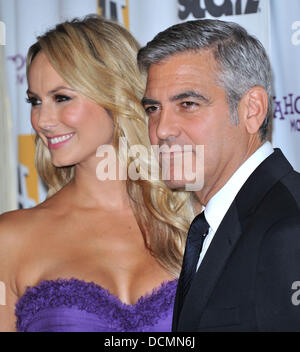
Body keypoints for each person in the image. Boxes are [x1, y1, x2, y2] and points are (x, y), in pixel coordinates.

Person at [0, 15, 194, 332]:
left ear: (115, 95)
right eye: (35, 101)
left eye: (61, 98)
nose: (42, 120)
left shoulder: (189, 218)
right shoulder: (9, 238)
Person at [137, 19, 300, 331]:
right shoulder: (216, 221)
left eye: (188, 104)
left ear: (252, 109)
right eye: (152, 109)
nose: (161, 130)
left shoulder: (289, 228)